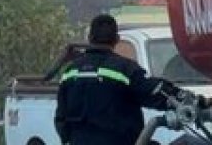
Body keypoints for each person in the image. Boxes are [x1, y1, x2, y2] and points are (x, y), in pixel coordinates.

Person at [55, 14, 184, 145]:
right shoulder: (125, 69)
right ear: (116, 39)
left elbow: (61, 118)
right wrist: (185, 99)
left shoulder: (70, 72)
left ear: (90, 38)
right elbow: (155, 92)